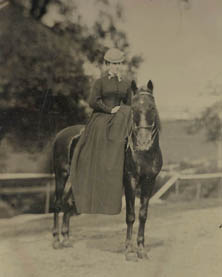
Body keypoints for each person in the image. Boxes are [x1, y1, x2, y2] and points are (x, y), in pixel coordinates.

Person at [70, 48, 132, 215]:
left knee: (128, 118)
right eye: (113, 63)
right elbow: (92, 101)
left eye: (119, 63)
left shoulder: (126, 83)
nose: (117, 67)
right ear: (107, 64)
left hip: (119, 118)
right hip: (102, 116)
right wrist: (109, 110)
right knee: (102, 129)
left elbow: (129, 103)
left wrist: (121, 110)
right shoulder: (100, 82)